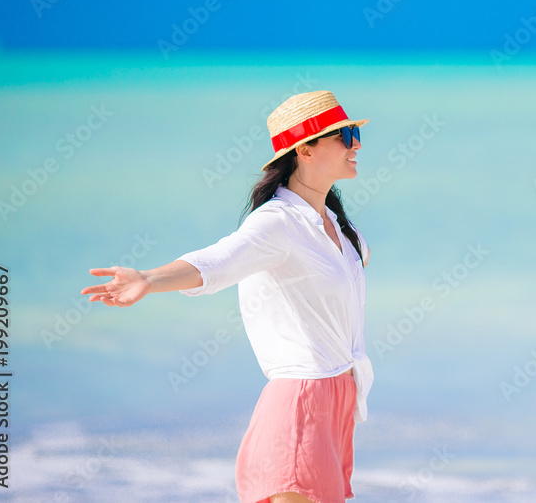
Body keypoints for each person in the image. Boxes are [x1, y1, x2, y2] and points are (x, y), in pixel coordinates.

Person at [80, 90, 373, 503]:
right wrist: (148, 277)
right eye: (344, 134)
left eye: (355, 132)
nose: (356, 143)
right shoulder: (276, 223)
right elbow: (217, 261)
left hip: (335, 405)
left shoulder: (342, 231)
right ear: (305, 149)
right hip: (301, 407)